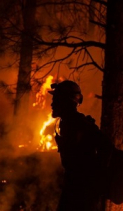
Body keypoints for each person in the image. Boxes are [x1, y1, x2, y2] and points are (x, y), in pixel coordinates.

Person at [48, 80, 109, 211]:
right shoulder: (71, 123)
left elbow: (78, 162)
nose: (52, 104)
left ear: (66, 101)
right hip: (77, 189)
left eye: (56, 99)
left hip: (81, 192)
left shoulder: (77, 124)